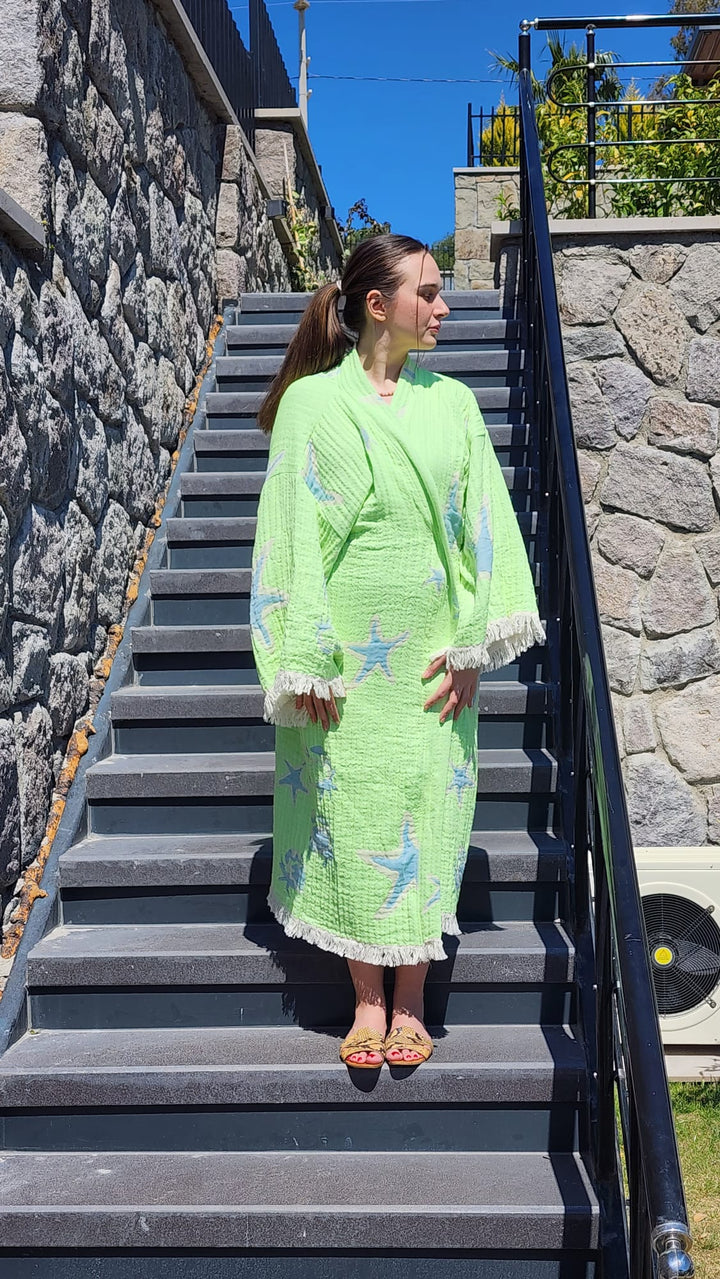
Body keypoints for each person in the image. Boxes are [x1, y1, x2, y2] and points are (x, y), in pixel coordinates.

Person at [250, 234, 543, 1069]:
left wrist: (471, 644)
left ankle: (413, 1000)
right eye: (430, 291)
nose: (444, 306)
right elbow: (289, 534)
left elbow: (484, 522)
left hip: (429, 659)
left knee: (425, 807)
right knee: (349, 811)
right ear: (378, 305)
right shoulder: (311, 406)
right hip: (343, 660)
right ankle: (366, 1001)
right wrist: (302, 655)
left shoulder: (452, 403)